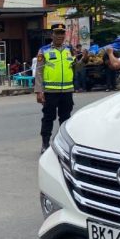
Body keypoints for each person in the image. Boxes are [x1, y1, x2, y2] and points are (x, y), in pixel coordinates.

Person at [34, 23, 75, 153]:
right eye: (57, 33)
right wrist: (39, 91)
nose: (60, 36)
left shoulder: (70, 49)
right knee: (48, 118)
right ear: (52, 35)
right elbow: (39, 72)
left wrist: (83, 60)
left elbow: (75, 67)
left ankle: (64, 144)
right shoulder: (44, 50)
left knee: (66, 118)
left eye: (62, 33)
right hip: (50, 92)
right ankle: (45, 144)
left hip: (67, 91)